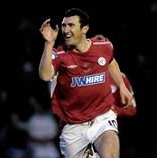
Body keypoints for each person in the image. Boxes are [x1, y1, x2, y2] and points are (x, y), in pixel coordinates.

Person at [39, 8, 133, 158]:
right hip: (73, 127)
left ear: (85, 29)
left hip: (102, 117)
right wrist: (49, 44)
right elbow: (45, 75)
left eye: (71, 25)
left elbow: (110, 60)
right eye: (64, 25)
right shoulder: (60, 54)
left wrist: (121, 85)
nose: (65, 30)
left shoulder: (104, 46)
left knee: (111, 152)